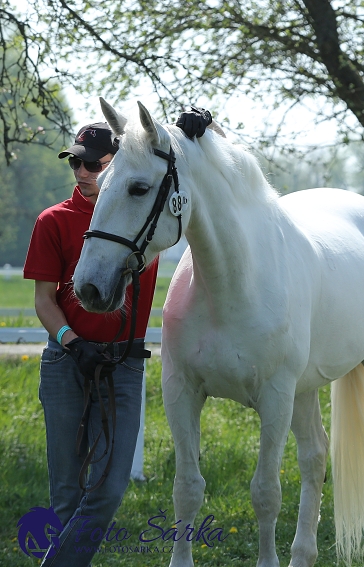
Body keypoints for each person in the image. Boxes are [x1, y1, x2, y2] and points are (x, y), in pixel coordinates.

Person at [23, 109, 212, 566]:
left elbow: (193, 171)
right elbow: (45, 301)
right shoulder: (54, 220)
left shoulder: (141, 213)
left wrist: (203, 124)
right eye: (75, 163)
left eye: (93, 163)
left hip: (124, 365)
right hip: (68, 362)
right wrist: (71, 342)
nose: (82, 172)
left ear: (116, 163)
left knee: (108, 489)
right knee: (66, 495)